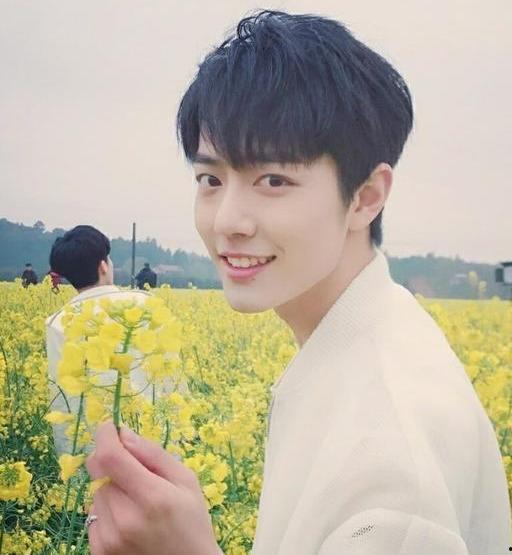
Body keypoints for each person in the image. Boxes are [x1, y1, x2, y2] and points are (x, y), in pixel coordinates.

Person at [84, 10, 511, 555]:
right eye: (210, 178)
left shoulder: (389, 479)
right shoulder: (371, 341)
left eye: (273, 180)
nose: (226, 221)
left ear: (366, 197)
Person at [45, 225, 177, 456]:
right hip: (155, 443)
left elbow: (62, 396)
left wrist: (70, 458)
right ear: (104, 265)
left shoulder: (58, 322)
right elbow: (171, 375)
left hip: (98, 451)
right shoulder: (147, 303)